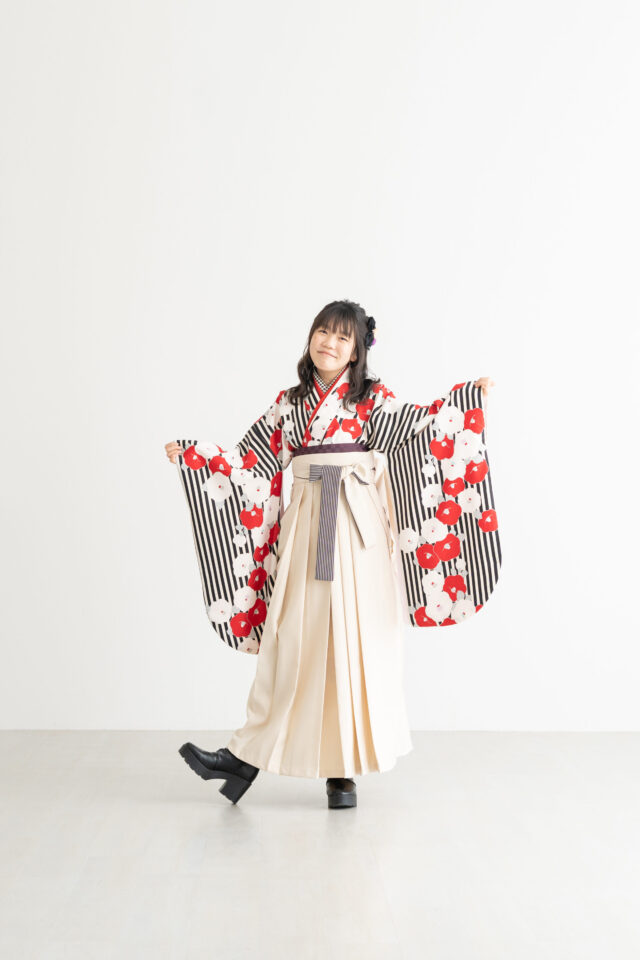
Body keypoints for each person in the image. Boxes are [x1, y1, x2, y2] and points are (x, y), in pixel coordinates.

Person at [165, 300, 499, 809]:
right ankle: (243, 757)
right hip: (305, 526)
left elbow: (421, 427)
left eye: (343, 338)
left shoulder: (373, 400)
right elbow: (250, 460)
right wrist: (199, 456)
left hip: (357, 529)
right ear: (311, 337)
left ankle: (341, 772)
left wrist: (466, 400)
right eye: (323, 332)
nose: (330, 343)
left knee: (354, 642)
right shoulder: (289, 404)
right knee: (290, 639)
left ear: (357, 351)